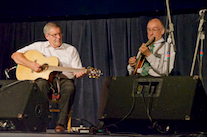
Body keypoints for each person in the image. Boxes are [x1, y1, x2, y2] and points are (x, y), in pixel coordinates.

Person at [11, 22, 85, 132]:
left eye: (60, 34)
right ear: (47, 36)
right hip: (45, 80)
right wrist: (30, 64)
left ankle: (61, 124)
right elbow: (15, 55)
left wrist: (79, 72)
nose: (58, 37)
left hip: (63, 80)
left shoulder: (71, 50)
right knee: (40, 84)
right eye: (54, 35)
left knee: (70, 88)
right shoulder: (38, 46)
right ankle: (41, 121)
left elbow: (76, 70)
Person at [98, 18, 176, 121]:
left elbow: (165, 71)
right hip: (137, 78)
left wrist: (149, 54)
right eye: (148, 30)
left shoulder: (167, 47)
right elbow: (134, 70)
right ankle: (104, 120)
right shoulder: (145, 47)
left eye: (154, 29)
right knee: (109, 81)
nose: (151, 33)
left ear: (162, 31)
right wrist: (132, 65)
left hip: (154, 81)